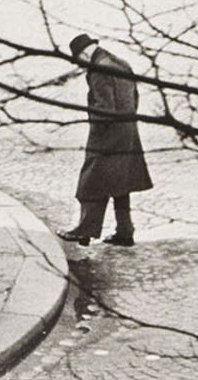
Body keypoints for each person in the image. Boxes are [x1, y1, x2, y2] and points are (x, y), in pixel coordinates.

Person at [59, 32, 153, 247]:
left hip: (108, 136)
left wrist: (97, 135)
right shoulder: (121, 62)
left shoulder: (98, 71)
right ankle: (125, 231)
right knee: (121, 184)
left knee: (91, 183)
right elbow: (135, 97)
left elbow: (104, 108)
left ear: (83, 54)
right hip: (128, 132)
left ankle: (85, 230)